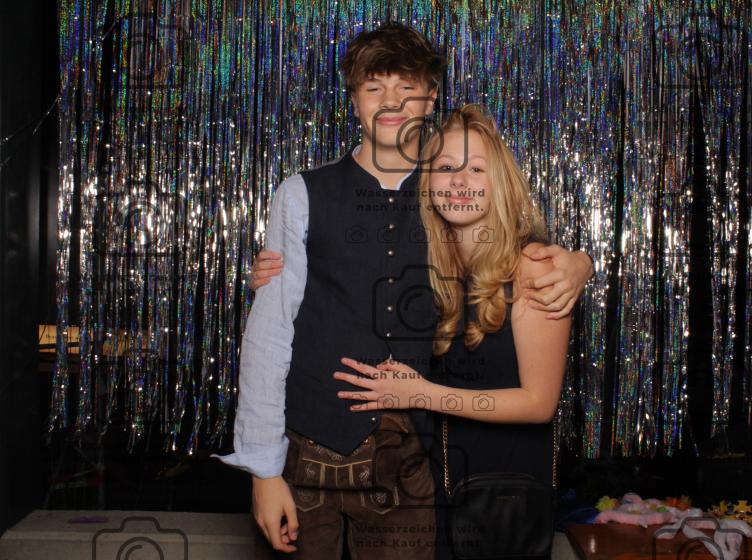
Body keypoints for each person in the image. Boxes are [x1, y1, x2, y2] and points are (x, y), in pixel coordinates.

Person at [215, 23, 593, 560]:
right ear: (352, 100)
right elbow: (270, 335)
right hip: (306, 459)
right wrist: (262, 469)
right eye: (374, 87)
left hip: (413, 467)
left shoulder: (449, 192)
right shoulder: (300, 195)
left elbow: (511, 251)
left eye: (406, 86)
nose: (391, 101)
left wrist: (579, 263)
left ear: (431, 96)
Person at [331, 103, 571, 560]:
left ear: (499, 182)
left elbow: (539, 404)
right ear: (428, 184)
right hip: (434, 491)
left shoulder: (533, 267)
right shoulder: (427, 268)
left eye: (476, 168)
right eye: (446, 168)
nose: (460, 181)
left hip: (502, 500)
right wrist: (276, 273)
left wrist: (421, 394)